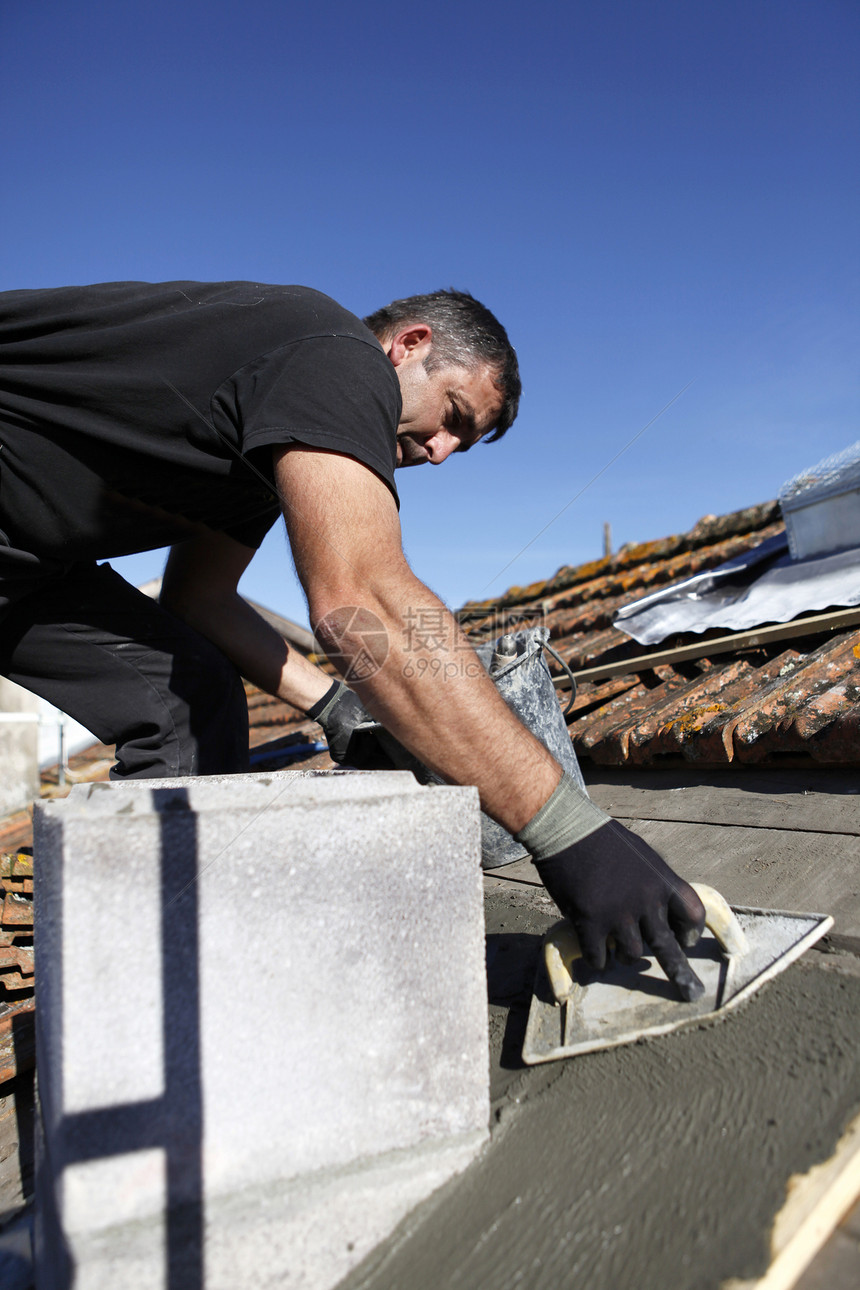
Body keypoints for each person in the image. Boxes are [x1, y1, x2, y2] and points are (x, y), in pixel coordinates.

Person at [0, 279, 706, 996]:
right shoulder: (332, 352)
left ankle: (142, 989)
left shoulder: (265, 442)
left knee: (188, 699)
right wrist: (569, 835)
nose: (439, 453)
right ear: (409, 345)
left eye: (461, 446)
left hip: (23, 570)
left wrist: (338, 709)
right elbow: (361, 602)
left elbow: (200, 598)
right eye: (453, 417)